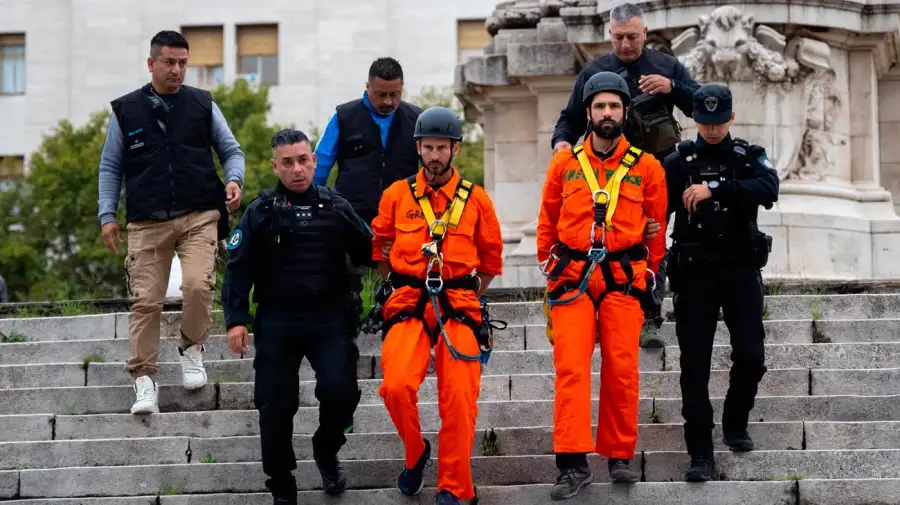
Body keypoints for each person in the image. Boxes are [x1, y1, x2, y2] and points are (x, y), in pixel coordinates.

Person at [221, 128, 373, 504]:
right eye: (287, 163)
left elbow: (373, 249)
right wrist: (237, 319)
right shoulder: (261, 211)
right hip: (278, 320)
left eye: (303, 160)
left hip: (330, 317)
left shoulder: (336, 206)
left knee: (342, 391)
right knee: (274, 403)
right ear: (275, 166)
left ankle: (325, 448)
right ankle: (282, 485)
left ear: (314, 161)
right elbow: (237, 269)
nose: (297, 169)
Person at [97, 30, 245, 415]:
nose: (177, 70)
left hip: (200, 214)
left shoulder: (202, 104)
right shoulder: (125, 110)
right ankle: (144, 380)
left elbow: (231, 149)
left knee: (197, 285)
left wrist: (234, 179)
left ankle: (192, 347)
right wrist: (107, 215)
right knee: (146, 301)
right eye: (169, 62)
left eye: (183, 63)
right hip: (147, 221)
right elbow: (111, 167)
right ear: (151, 64)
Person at [536, 71, 667, 500]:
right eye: (599, 107)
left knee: (622, 369)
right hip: (573, 279)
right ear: (588, 113)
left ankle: (619, 455)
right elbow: (546, 222)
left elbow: (656, 231)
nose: (606, 113)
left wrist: (647, 272)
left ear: (625, 112)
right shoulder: (564, 163)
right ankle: (572, 464)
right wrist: (549, 269)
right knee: (571, 369)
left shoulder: (647, 168)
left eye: (614, 106)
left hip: (623, 282)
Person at [370, 106, 504, 505]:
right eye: (427, 147)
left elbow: (492, 261)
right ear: (418, 149)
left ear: (455, 150)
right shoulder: (397, 195)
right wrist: (394, 280)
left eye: (440, 148)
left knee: (460, 398)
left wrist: (464, 291)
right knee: (395, 387)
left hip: (459, 303)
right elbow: (378, 246)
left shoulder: (476, 200)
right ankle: (416, 453)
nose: (433, 155)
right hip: (408, 301)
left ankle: (453, 486)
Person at [662, 84, 778, 482]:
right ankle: (701, 453)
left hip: (741, 271)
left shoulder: (748, 156)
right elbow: (656, 212)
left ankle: (735, 420)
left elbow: (770, 189)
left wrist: (714, 189)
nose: (711, 129)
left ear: (731, 118)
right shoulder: (677, 162)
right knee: (694, 367)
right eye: (705, 122)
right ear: (695, 119)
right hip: (695, 274)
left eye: (718, 121)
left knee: (751, 356)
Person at [551, 2, 700, 161]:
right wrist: (561, 142)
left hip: (657, 166)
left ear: (644, 33)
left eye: (632, 36)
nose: (625, 44)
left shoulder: (668, 65)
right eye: (618, 37)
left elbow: (701, 105)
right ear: (610, 34)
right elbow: (571, 120)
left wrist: (672, 87)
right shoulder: (592, 72)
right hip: (606, 168)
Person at [313, 56, 423, 225]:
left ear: (402, 88)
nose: (388, 101)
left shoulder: (418, 120)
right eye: (380, 94)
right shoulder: (343, 117)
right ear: (367, 87)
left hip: (403, 220)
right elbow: (318, 168)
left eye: (395, 94)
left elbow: (433, 169)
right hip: (350, 221)